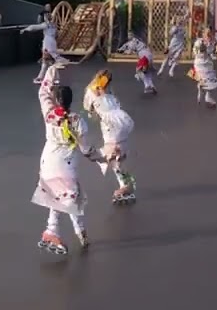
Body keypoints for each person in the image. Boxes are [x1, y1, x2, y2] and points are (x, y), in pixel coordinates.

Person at [34, 61, 98, 256]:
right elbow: (86, 148)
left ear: (56, 98)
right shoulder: (77, 121)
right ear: (71, 101)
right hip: (65, 164)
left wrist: (52, 70)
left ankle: (77, 232)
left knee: (63, 197)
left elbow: (42, 92)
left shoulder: (49, 113)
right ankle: (52, 231)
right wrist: (96, 155)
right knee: (68, 198)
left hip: (48, 160)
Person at [83, 68, 138, 205]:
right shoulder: (109, 94)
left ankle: (125, 184)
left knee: (112, 154)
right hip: (122, 120)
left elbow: (88, 107)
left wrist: (94, 110)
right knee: (116, 157)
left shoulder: (94, 90)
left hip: (112, 125)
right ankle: (125, 183)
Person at [22, 14, 62, 84]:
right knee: (50, 61)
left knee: (46, 61)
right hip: (53, 42)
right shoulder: (54, 25)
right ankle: (55, 78)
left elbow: (34, 27)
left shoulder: (46, 25)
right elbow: (57, 35)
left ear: (45, 18)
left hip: (47, 43)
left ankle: (41, 78)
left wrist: (26, 29)